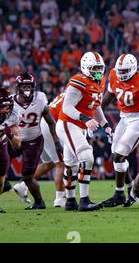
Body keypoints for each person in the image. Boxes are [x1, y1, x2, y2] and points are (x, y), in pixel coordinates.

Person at [100, 54, 139, 208]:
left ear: (134, 68)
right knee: (117, 156)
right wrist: (102, 122)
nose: (121, 74)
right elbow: (105, 101)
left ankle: (120, 194)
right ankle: (130, 191)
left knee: (119, 155)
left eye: (125, 70)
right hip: (124, 118)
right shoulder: (114, 75)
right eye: (119, 70)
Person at [55, 51, 113, 211]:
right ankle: (84, 200)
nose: (97, 72)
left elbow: (96, 105)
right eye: (94, 68)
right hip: (68, 123)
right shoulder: (78, 81)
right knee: (87, 156)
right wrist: (86, 119)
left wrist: (105, 124)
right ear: (85, 68)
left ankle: (70, 201)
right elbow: (66, 107)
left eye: (99, 68)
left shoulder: (100, 82)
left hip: (79, 126)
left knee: (72, 164)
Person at [9, 73, 63, 210]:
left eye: (29, 86)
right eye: (24, 85)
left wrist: (56, 141)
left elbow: (50, 121)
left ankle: (39, 202)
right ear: (18, 87)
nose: (27, 88)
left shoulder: (40, 98)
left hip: (33, 140)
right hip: (13, 139)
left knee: (28, 176)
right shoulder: (10, 102)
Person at [0, 88, 21, 213]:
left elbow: (18, 144)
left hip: (1, 144)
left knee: (1, 178)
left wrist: (10, 135)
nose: (6, 110)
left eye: (8, 106)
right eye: (2, 107)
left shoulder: (14, 115)